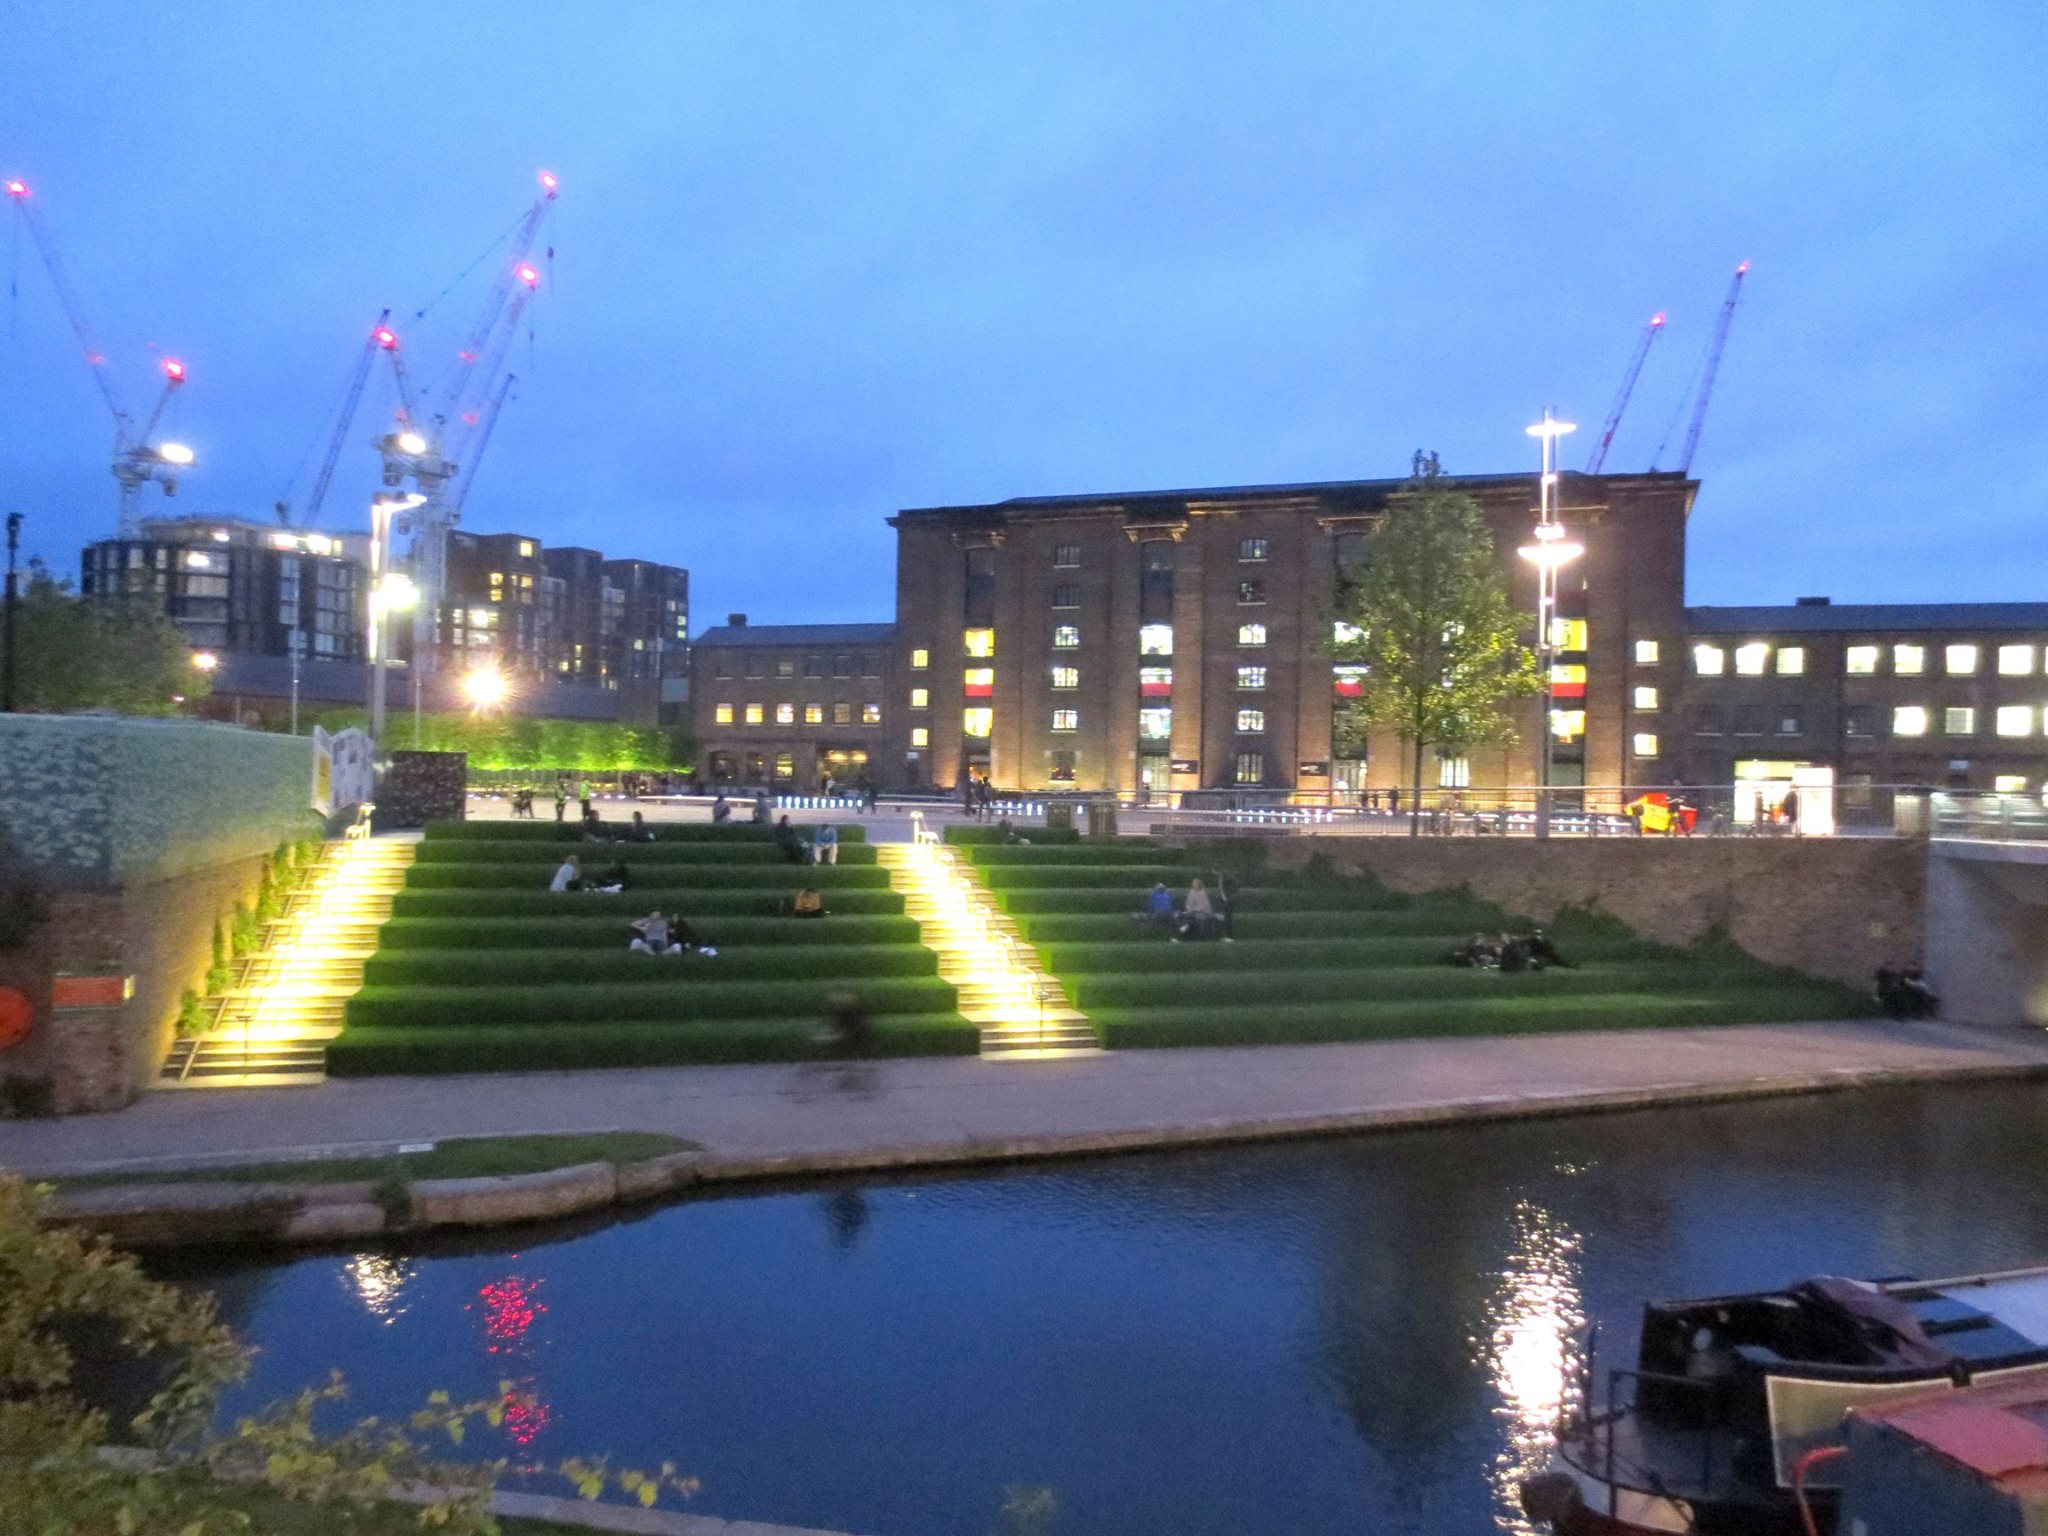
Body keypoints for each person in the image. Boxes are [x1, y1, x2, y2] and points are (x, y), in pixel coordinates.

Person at [1211, 870, 1239, 942]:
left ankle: (1230, 936)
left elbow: (1233, 888)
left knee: (1228, 919)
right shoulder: (1220, 879)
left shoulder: (1229, 879)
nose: (1214, 872)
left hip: (1229, 901)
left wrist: (1229, 897)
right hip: (1222, 901)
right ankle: (1224, 936)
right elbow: (1220, 890)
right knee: (1222, 919)